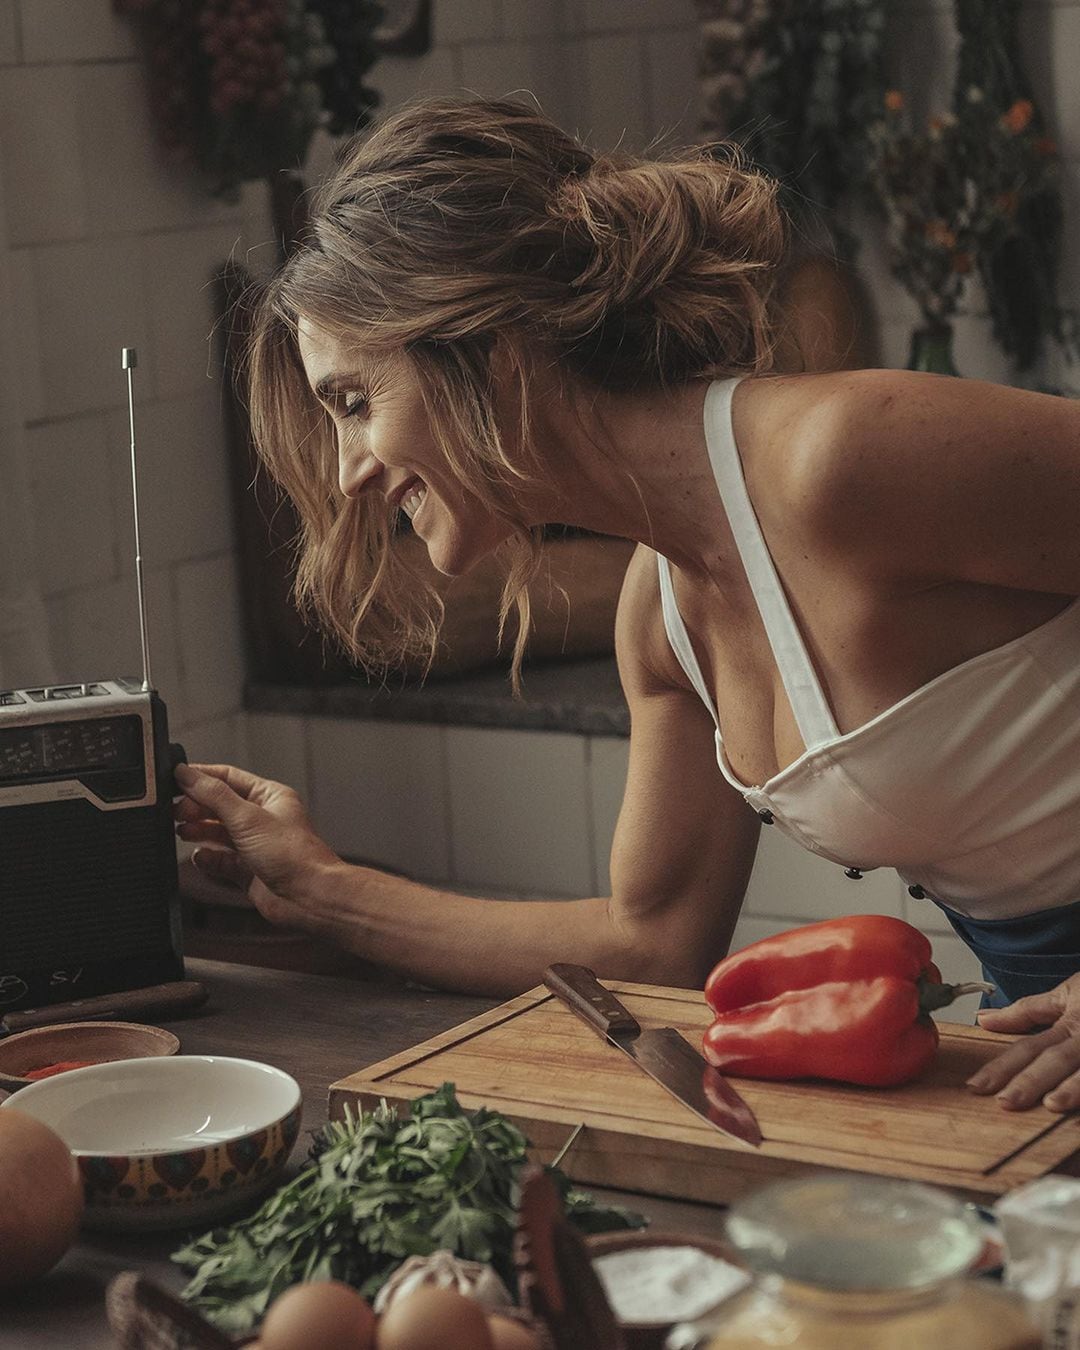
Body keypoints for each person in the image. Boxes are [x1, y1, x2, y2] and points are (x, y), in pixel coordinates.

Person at [174, 96, 1080, 1115]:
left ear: (489, 344)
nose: (345, 473)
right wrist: (316, 889)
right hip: (1036, 1055)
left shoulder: (841, 461)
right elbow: (652, 943)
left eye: (352, 402)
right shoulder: (663, 619)